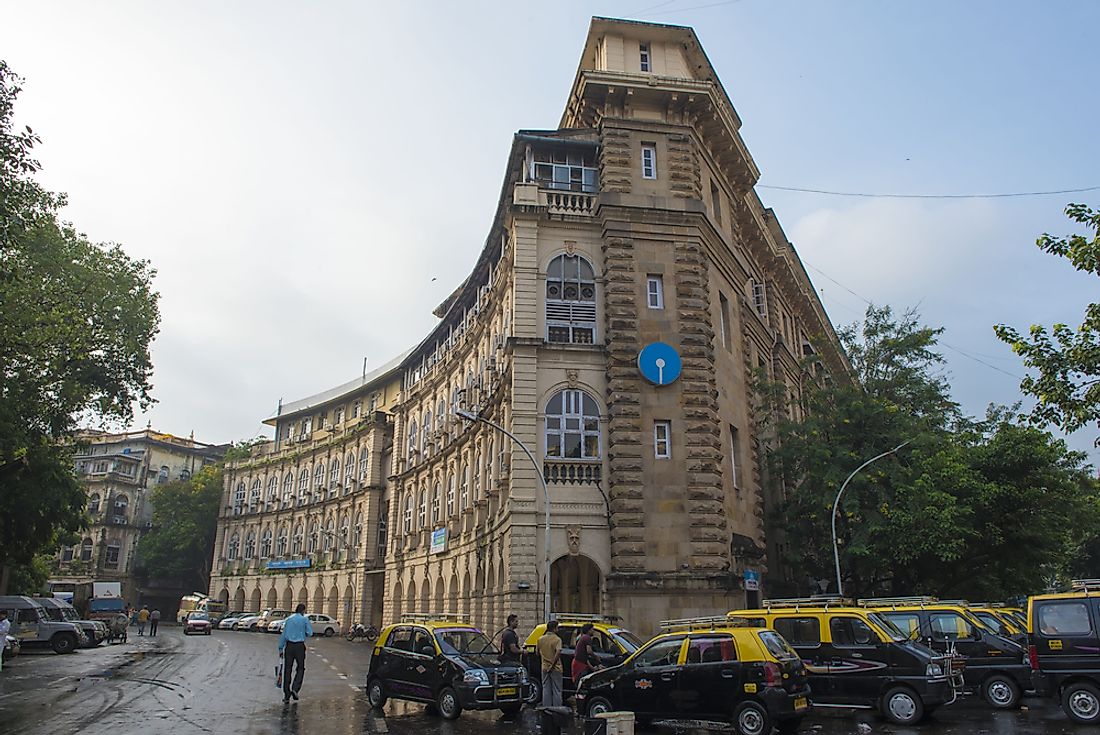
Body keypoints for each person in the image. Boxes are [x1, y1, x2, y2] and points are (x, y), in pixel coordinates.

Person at [278, 603, 313, 703]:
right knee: (300, 668)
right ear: (303, 611)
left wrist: (280, 647)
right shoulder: (304, 619)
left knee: (287, 669)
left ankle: (286, 695)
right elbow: (310, 633)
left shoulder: (289, 619)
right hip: (299, 646)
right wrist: (303, 633)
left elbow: (284, 634)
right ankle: (295, 688)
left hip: (289, 646)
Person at [536, 619, 563, 708]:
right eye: (557, 628)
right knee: (557, 690)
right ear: (554, 629)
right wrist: (552, 665)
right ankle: (557, 709)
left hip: (544, 667)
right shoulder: (557, 639)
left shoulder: (540, 639)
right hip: (556, 668)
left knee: (546, 689)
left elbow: (537, 652)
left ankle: (546, 708)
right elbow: (558, 652)